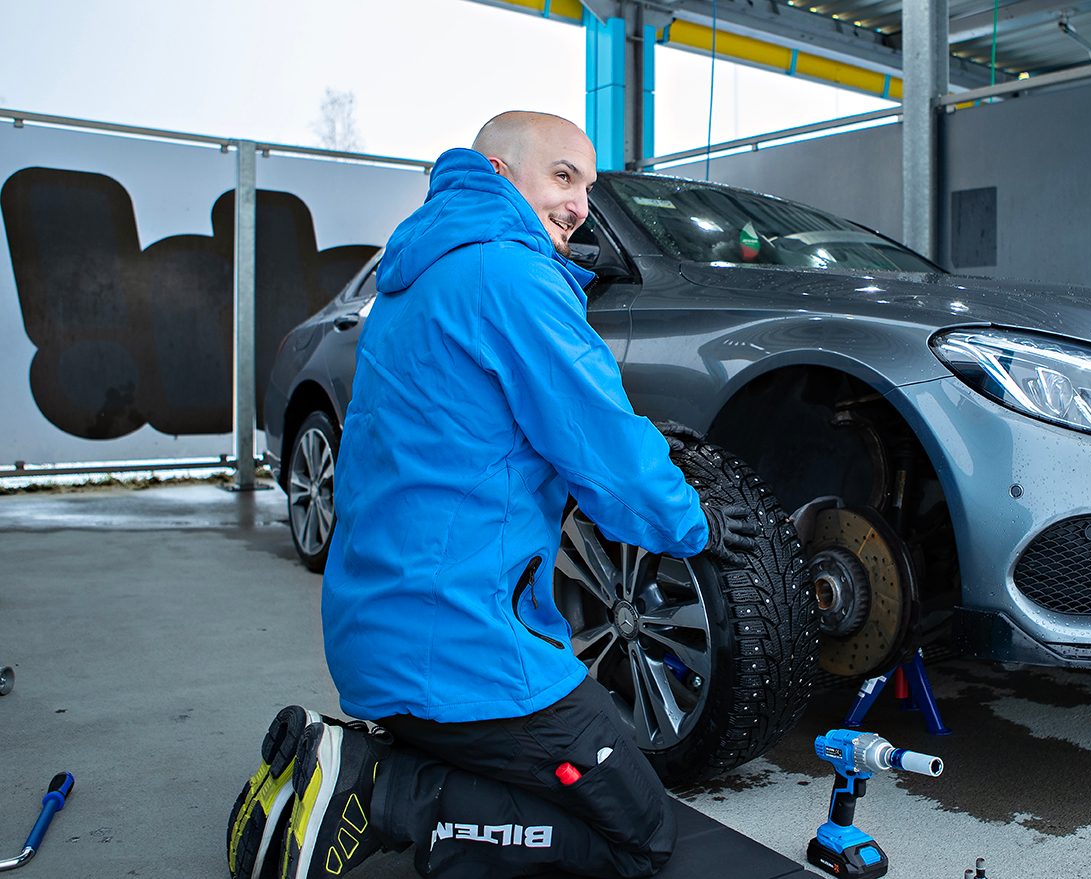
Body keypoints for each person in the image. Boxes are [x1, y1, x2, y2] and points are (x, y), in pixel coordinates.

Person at [226, 111, 759, 879]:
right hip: (464, 647)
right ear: (502, 175)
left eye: (588, 186)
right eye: (563, 177)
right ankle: (380, 788)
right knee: (637, 836)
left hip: (386, 632)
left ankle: (381, 766)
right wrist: (693, 520)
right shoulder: (512, 274)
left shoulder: (420, 274)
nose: (580, 204)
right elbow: (610, 452)